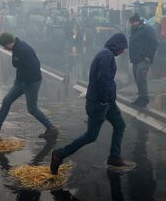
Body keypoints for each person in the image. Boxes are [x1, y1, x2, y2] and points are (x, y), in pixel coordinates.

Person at [50, 33, 129, 175]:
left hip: (107, 102)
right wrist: (104, 100)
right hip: (100, 102)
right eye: (122, 48)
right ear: (116, 45)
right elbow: (103, 80)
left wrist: (109, 99)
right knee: (91, 136)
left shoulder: (106, 54)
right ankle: (59, 154)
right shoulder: (106, 56)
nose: (123, 51)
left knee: (120, 124)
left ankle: (114, 157)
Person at [0, 32, 58, 138]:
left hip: (31, 83)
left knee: (32, 109)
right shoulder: (16, 48)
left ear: (8, 43)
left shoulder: (23, 50)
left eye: (4, 46)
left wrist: (26, 82)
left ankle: (51, 128)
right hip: (21, 81)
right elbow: (17, 64)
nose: (4, 48)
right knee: (6, 101)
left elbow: (35, 67)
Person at [128, 14, 158, 107]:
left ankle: (144, 99)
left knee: (141, 79)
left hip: (143, 59)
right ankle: (140, 98)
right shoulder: (135, 30)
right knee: (137, 80)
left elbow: (154, 42)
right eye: (131, 23)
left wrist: (149, 56)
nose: (132, 24)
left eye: (133, 23)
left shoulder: (147, 29)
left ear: (138, 21)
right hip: (135, 59)